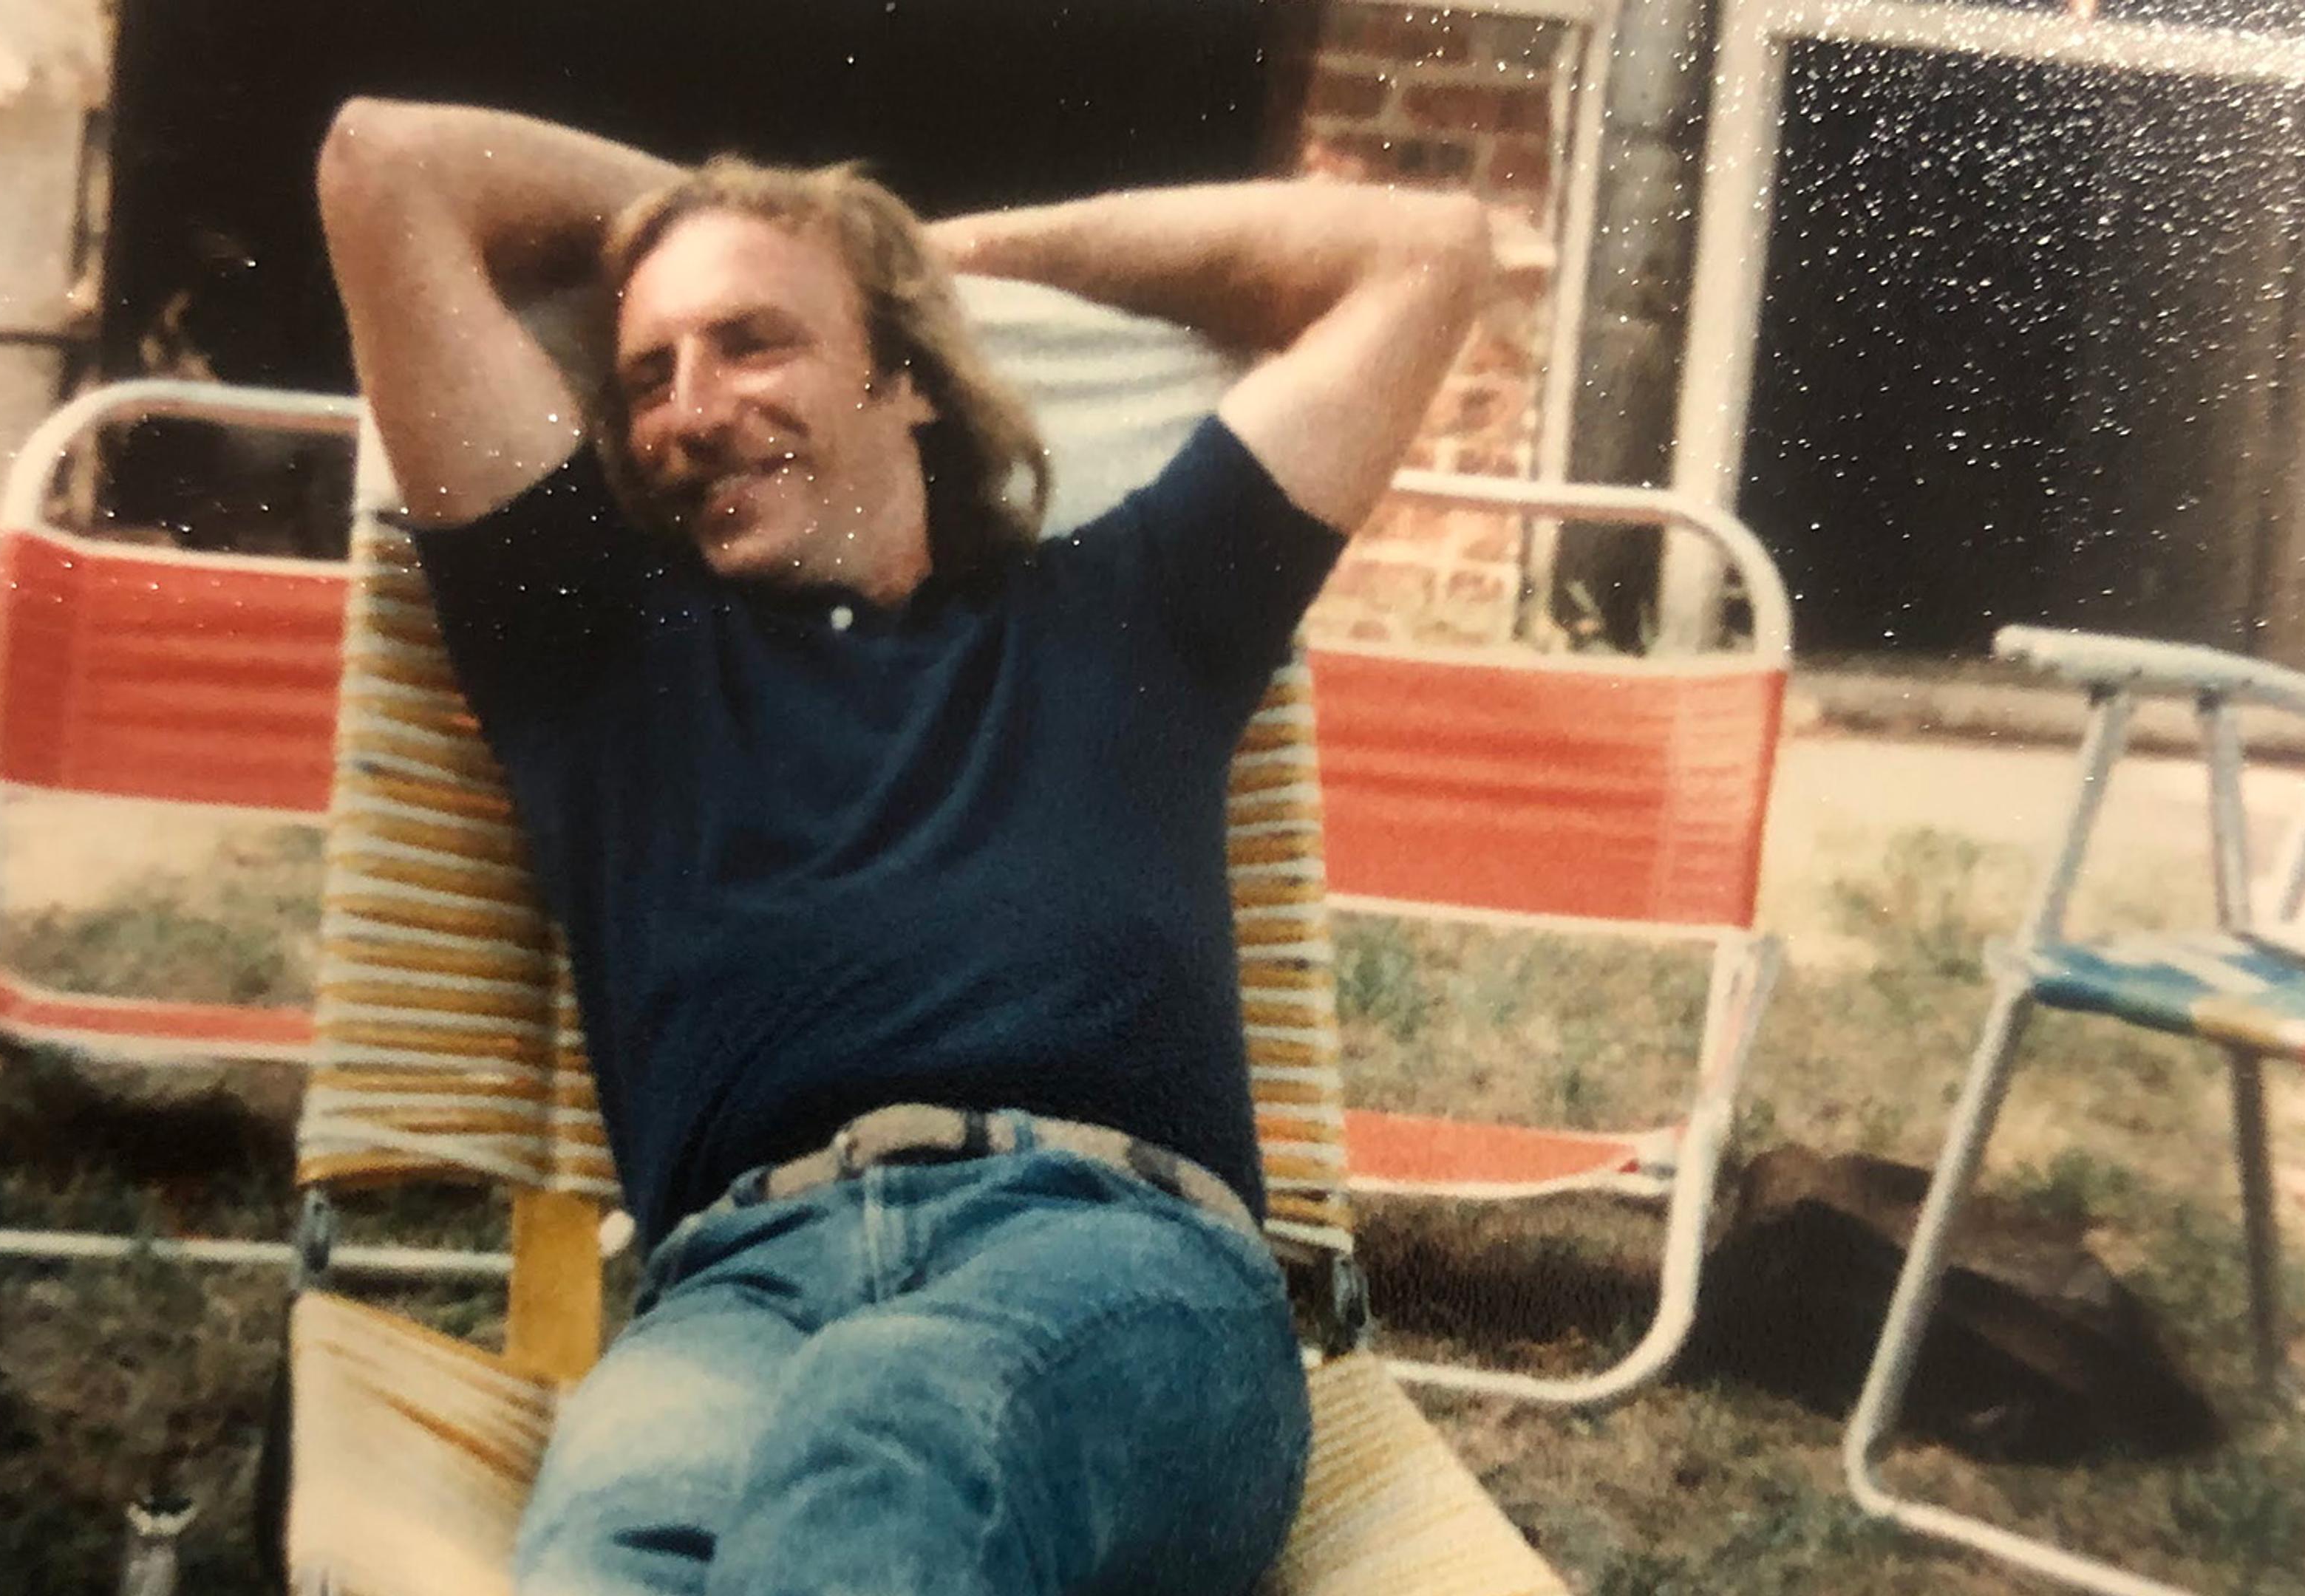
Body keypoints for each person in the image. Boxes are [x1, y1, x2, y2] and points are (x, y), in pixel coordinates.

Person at [315, 96, 1488, 1595]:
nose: (689, 409)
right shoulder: (597, 654)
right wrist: (754, 216)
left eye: (755, 341)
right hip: (731, 1296)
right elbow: (384, 166)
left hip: (1116, 1268)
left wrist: (932, 254)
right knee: (609, 1567)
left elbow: (1426, 253)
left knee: (901, 1424)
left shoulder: (1137, 615)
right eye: (648, 375)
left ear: (908, 376)